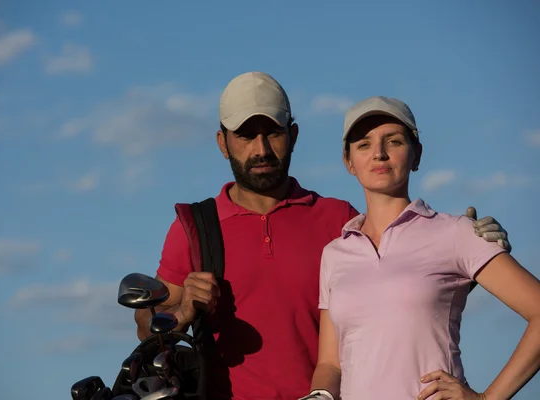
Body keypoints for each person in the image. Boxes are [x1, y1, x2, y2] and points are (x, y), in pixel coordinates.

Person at [133, 72, 511, 399]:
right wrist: (181, 312)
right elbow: (146, 328)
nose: (261, 148)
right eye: (246, 135)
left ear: (293, 135)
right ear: (222, 142)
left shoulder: (339, 219)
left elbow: (405, 285)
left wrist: (468, 257)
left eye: (273, 133)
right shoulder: (196, 226)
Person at [307, 96, 540, 400]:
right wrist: (319, 395)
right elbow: (330, 364)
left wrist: (486, 399)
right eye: (364, 144)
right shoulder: (335, 253)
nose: (378, 154)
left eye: (393, 142)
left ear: (416, 155)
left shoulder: (456, 232)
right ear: (348, 162)